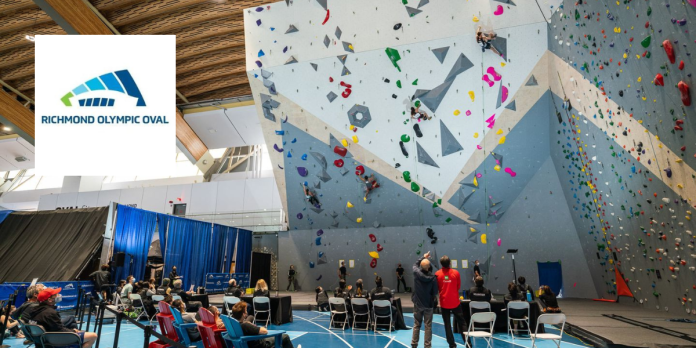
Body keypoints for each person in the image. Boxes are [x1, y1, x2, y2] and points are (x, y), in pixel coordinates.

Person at [31, 288, 98, 348]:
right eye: (55, 295)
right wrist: (74, 332)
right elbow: (61, 331)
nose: (58, 295)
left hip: (43, 339)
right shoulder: (50, 313)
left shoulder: (35, 310)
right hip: (54, 340)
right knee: (93, 336)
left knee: (72, 325)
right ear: (50, 300)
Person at [231, 302, 300, 348]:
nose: (247, 312)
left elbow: (251, 317)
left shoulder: (234, 324)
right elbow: (264, 331)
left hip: (249, 344)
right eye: (246, 311)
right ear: (244, 314)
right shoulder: (245, 326)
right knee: (285, 337)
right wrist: (253, 326)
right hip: (261, 345)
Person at [435, 255, 466, 348]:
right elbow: (458, 286)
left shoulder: (437, 274)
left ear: (441, 264)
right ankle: (468, 343)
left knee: (447, 324)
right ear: (450, 263)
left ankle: (452, 345)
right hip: (455, 302)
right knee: (462, 323)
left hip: (444, 303)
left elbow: (437, 288)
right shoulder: (456, 273)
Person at [411, 252, 438, 348]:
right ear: (429, 267)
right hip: (428, 305)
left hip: (418, 304)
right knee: (428, 326)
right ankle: (427, 345)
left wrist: (423, 257)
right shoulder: (433, 278)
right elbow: (435, 292)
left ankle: (414, 344)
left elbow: (415, 264)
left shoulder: (416, 273)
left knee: (416, 324)